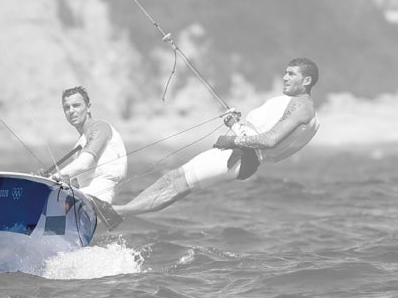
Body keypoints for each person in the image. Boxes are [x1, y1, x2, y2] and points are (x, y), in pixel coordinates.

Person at [116, 58, 320, 216]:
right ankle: (120, 211)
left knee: (179, 187)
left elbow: (270, 141)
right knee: (172, 177)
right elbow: (259, 133)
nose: (285, 77)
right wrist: (235, 125)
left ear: (307, 80)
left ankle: (118, 213)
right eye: (285, 73)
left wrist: (233, 140)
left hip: (241, 158)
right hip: (237, 151)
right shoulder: (291, 102)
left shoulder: (302, 107)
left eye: (291, 74)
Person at [40, 85, 127, 204]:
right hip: (84, 197)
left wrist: (49, 181)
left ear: (88, 107)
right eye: (66, 107)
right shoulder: (79, 144)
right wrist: (42, 179)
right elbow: (74, 184)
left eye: (76, 105)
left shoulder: (101, 127)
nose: (71, 111)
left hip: (100, 200)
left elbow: (83, 164)